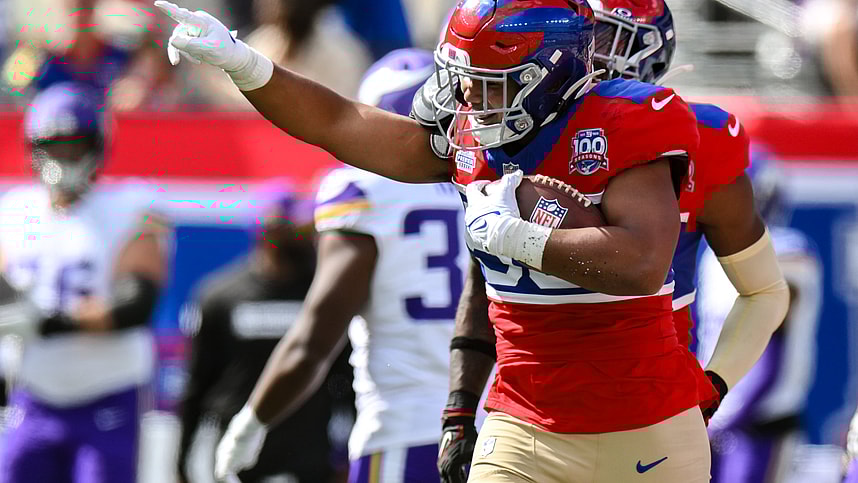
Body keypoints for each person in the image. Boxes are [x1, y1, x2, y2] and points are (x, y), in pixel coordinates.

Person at [155, 0, 712, 480]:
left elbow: (641, 261)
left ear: (548, 76)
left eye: (487, 86)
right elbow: (339, 122)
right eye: (465, 82)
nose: (468, 101)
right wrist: (242, 61)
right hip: (521, 416)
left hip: (639, 416)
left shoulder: (626, 122)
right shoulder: (477, 144)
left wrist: (518, 236)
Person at [212, 48, 468, 482]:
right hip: (489, 432)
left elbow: (314, 340)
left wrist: (250, 423)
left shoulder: (365, 190)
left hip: (405, 432)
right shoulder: (488, 183)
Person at [590, 0, 791, 424]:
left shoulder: (701, 140)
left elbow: (766, 292)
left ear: (648, 49)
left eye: (601, 36)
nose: (583, 49)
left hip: (649, 407)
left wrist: (712, 387)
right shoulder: (527, 130)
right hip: (530, 405)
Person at [0, 81, 171, 483]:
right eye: (55, 146)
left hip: (106, 397)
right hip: (32, 396)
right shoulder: (14, 209)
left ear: (97, 146)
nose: (65, 158)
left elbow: (135, 304)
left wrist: (49, 322)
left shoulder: (136, 205)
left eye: (75, 146)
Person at [175, 188, 353, 483]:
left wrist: (348, 455)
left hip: (310, 451)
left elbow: (347, 378)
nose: (307, 238)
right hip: (237, 448)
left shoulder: (326, 294)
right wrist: (181, 459)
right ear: (266, 233)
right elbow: (198, 382)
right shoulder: (220, 295)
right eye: (294, 229)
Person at [696, 150, 823, 483]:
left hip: (760, 424)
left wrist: (720, 418)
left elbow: (768, 349)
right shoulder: (712, 252)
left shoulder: (786, 250)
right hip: (719, 413)